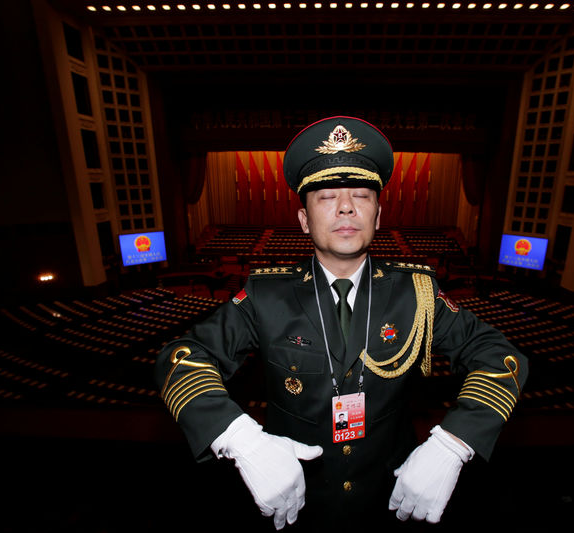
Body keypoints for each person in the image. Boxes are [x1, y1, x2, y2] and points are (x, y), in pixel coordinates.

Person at [155, 116, 528, 531]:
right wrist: (239, 439)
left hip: (394, 499)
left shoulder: (417, 292)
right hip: (292, 501)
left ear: (378, 214)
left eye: (362, 195)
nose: (346, 206)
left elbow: (501, 356)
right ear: (303, 220)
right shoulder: (265, 294)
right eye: (326, 195)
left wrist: (455, 442)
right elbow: (180, 359)